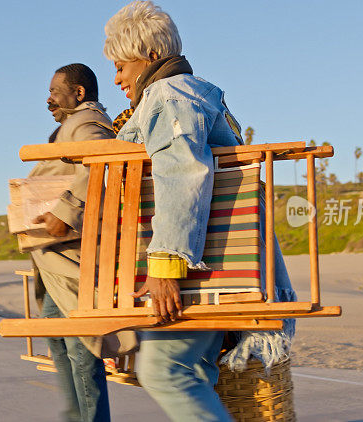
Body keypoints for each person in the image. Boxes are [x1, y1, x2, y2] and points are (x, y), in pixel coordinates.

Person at [104, 2, 297, 421]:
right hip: (219, 267)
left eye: (121, 65)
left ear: (151, 57)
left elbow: (182, 174)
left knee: (166, 371)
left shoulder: (169, 97)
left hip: (205, 271)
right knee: (184, 370)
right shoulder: (194, 94)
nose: (117, 78)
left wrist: (166, 267)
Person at [28, 63, 114, 422]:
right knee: (59, 339)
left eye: (54, 91)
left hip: (73, 256)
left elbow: (102, 164)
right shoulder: (70, 126)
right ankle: (76, 417)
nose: (48, 99)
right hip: (55, 259)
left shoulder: (88, 123)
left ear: (78, 93)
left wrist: (67, 211)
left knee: (80, 348)